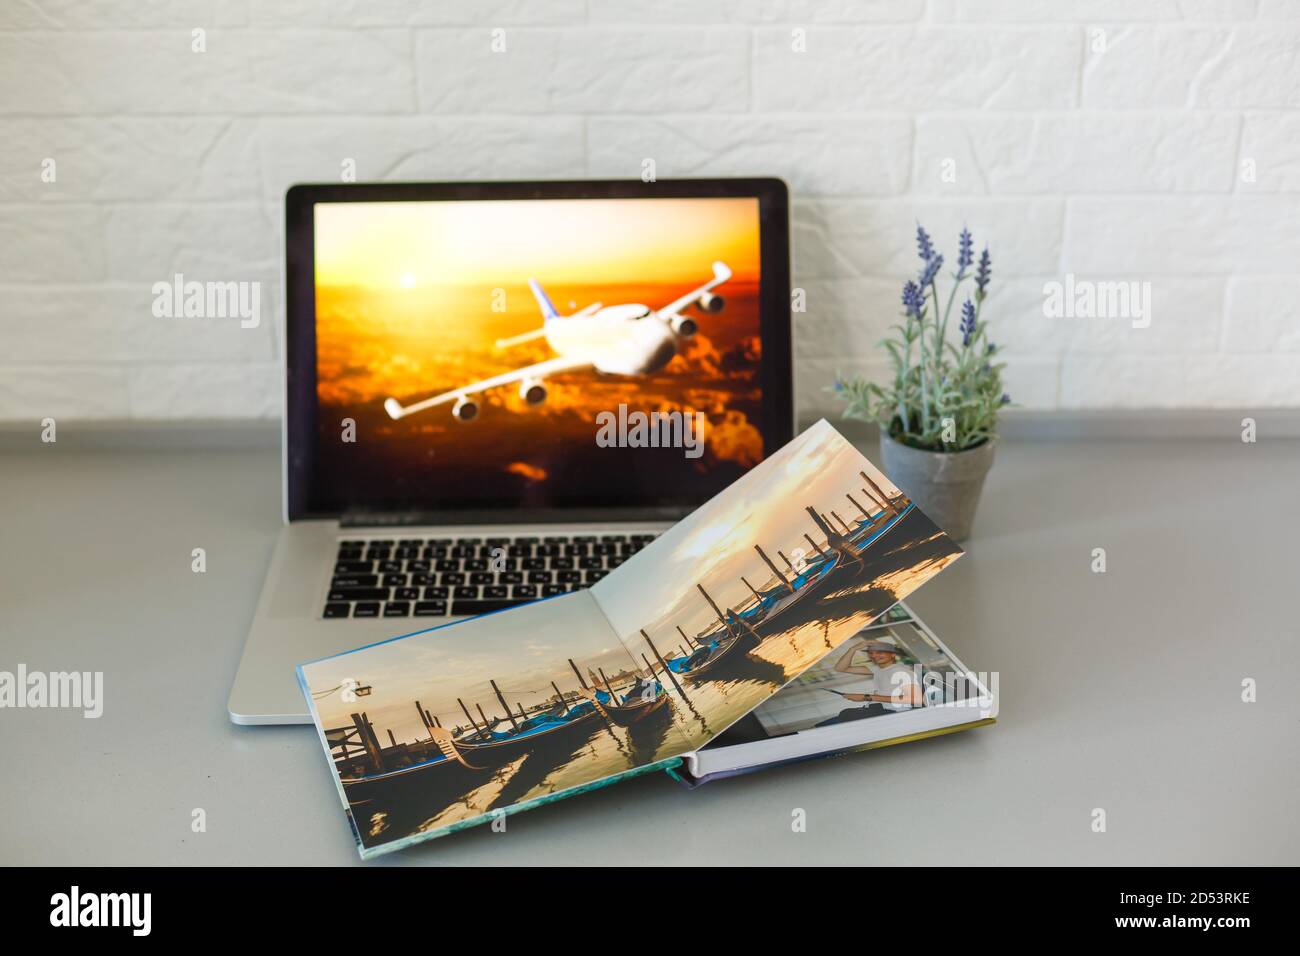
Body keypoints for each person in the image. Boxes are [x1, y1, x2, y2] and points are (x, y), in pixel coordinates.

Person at [814, 636, 922, 727]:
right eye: (871, 653)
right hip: (876, 711)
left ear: (893, 654)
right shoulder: (879, 669)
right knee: (824, 725)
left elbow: (916, 699)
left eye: (880, 652)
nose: (874, 655)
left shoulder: (900, 671)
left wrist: (866, 697)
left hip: (890, 716)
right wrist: (853, 649)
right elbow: (841, 668)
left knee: (835, 721)